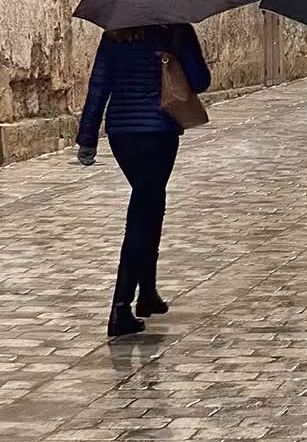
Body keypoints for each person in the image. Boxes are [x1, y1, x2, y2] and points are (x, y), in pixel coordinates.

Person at [76, 24, 211, 338]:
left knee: (151, 204)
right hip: (159, 133)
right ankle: (120, 308)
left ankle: (147, 293)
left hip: (122, 135)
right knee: (142, 215)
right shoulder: (177, 31)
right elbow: (201, 81)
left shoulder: (114, 34)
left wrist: (87, 138)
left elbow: (99, 85)